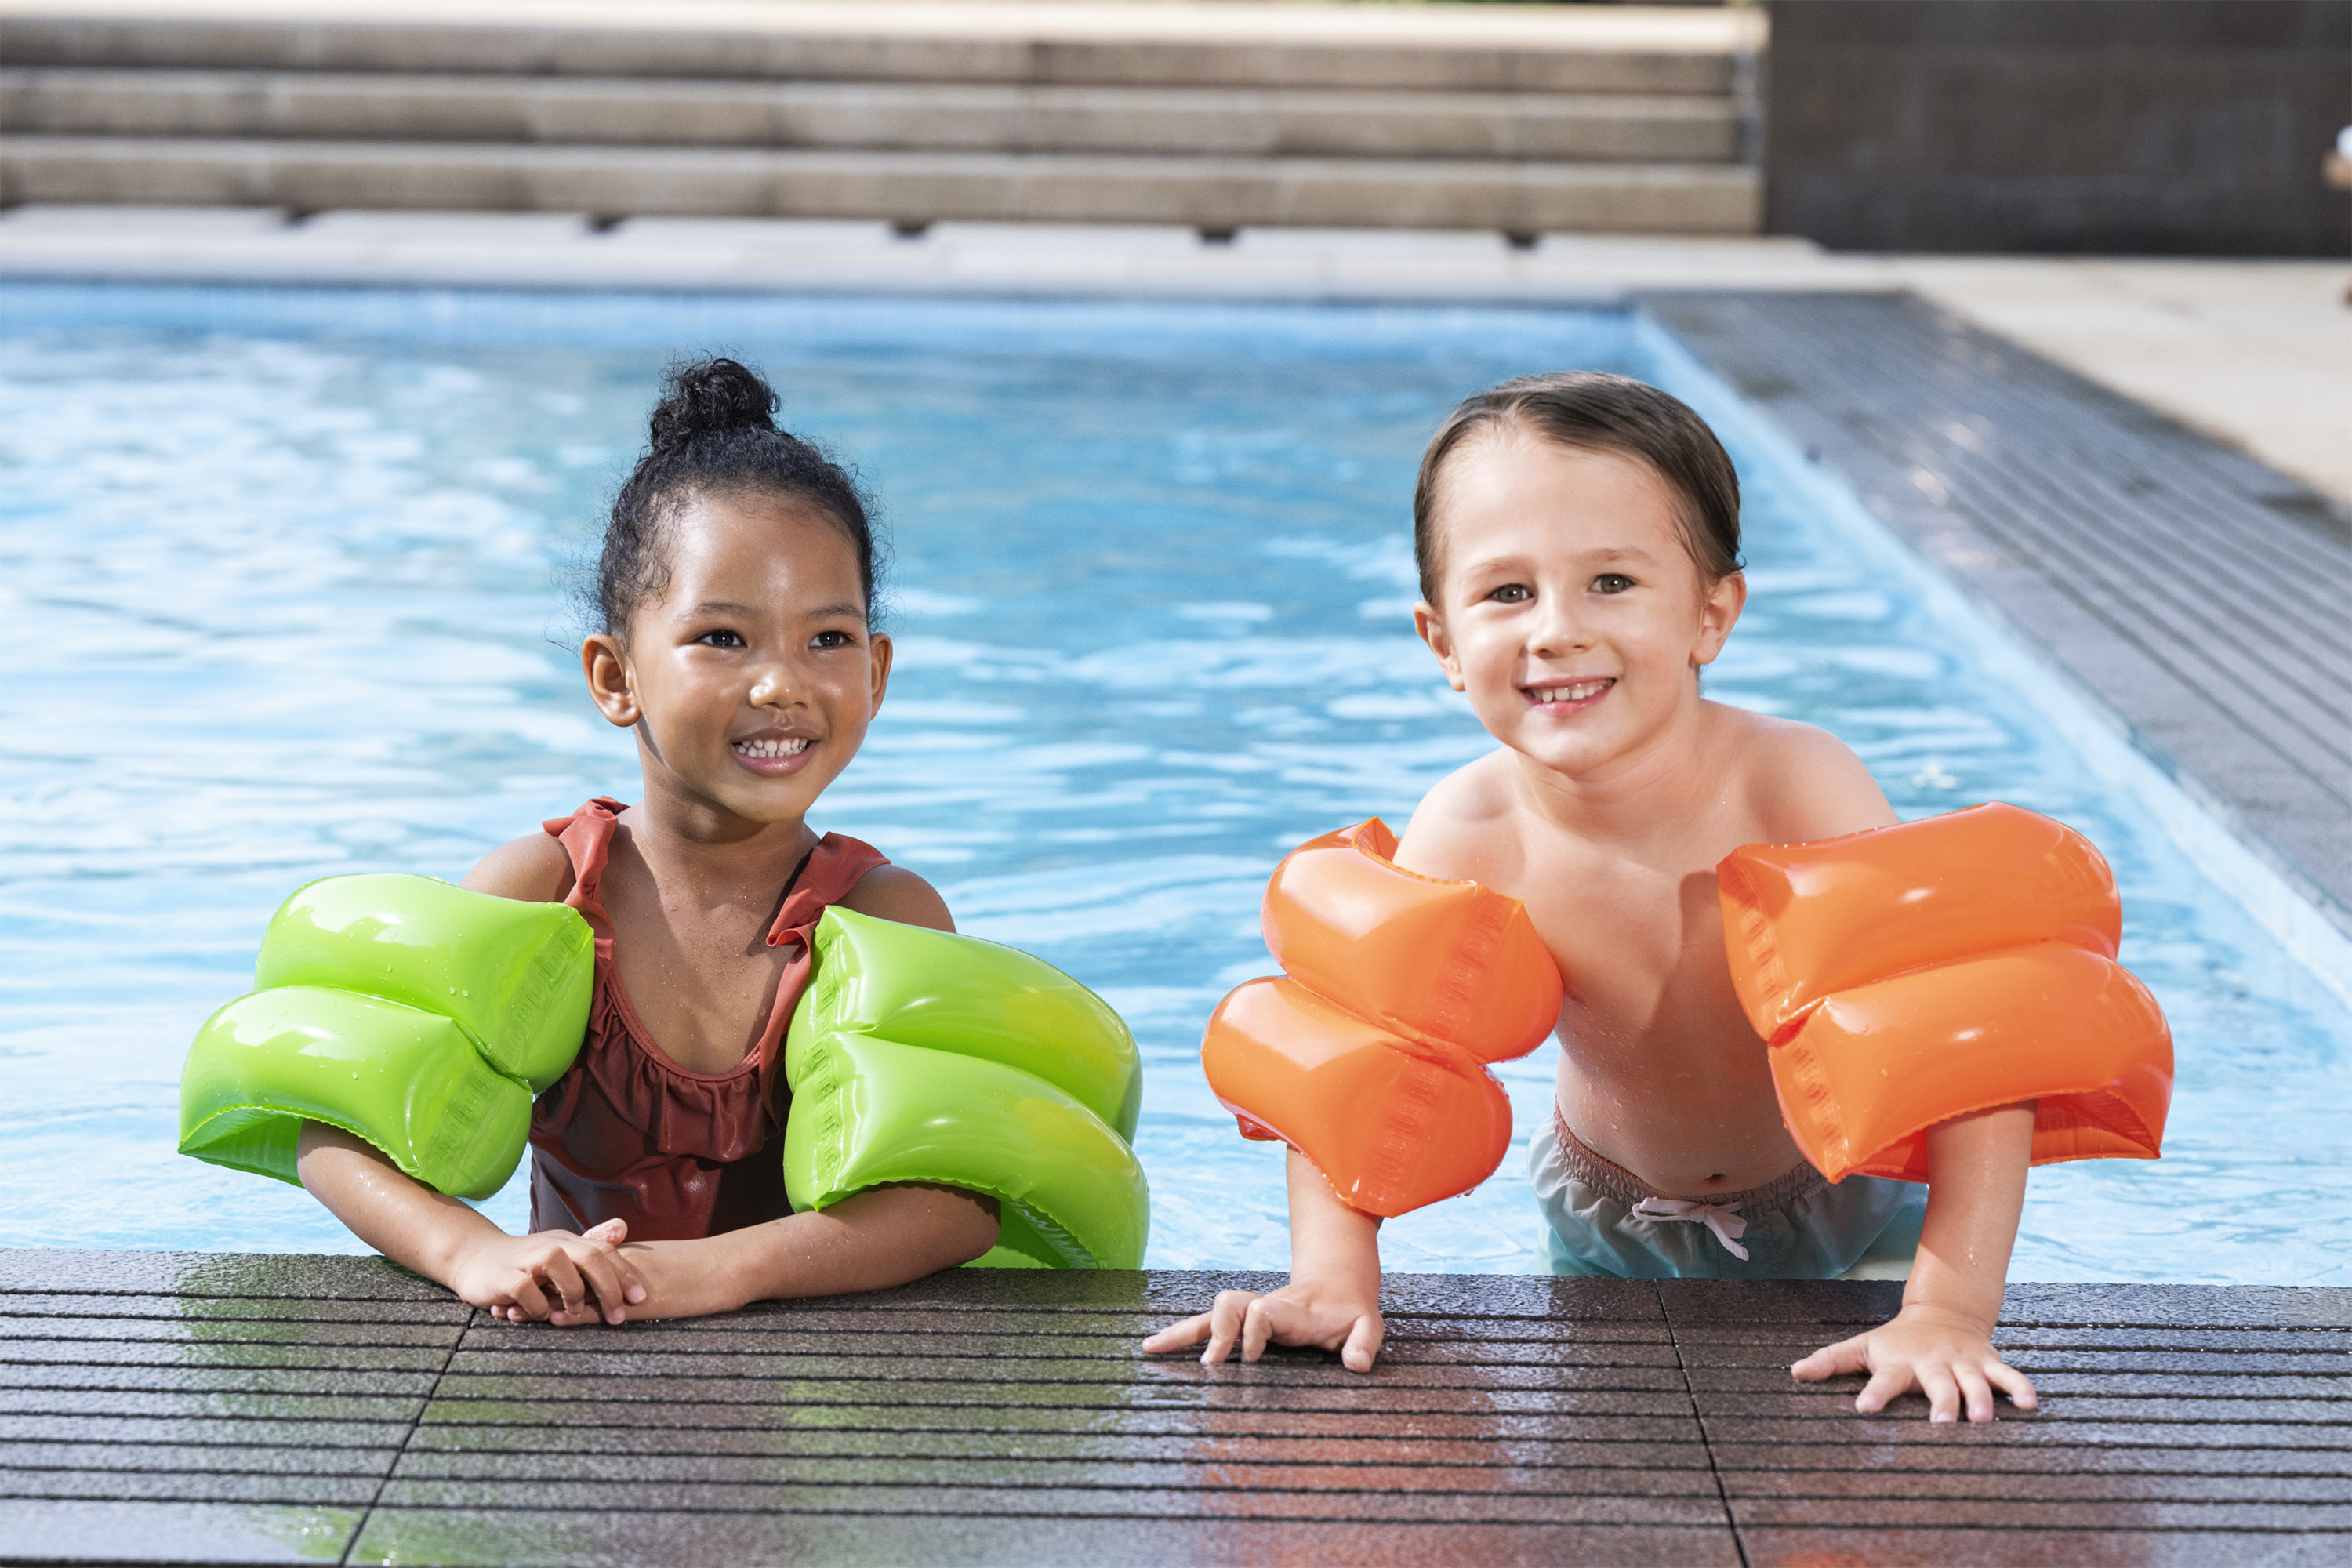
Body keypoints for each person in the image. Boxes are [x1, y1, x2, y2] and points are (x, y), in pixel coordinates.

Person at [1145, 372, 2041, 1424]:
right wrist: (1330, 1279)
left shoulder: (1796, 786)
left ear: (1712, 614)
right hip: (1602, 1215)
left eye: (1611, 582)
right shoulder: (1471, 831)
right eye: (1506, 593)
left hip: (1846, 1205)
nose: (1557, 631)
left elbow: (1958, 1053)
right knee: (1608, 1474)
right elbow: (1357, 1060)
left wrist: (1949, 1309)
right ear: (1441, 642)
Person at [292, 357, 998, 1326]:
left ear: (876, 673)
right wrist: (475, 1250)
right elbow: (336, 1129)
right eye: (723, 636)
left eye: (827, 640)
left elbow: (955, 1203)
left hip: (807, 1371)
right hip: (577, 1362)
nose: (781, 684)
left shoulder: (882, 916)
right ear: (615, 675)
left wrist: (720, 1270)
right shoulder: (543, 892)